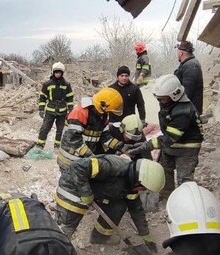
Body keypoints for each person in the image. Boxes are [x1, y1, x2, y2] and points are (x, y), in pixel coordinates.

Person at [55, 155, 165, 251]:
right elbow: (78, 167)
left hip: (96, 191)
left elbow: (136, 209)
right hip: (73, 187)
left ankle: (99, 237)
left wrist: (146, 235)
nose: (142, 191)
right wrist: (86, 193)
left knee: (118, 206)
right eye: (143, 188)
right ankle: (56, 249)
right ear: (139, 181)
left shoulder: (131, 183)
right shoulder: (112, 167)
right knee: (67, 225)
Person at [122, 74, 203, 202]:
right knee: (165, 171)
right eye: (158, 99)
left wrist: (147, 145)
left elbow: (170, 137)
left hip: (187, 149)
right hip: (171, 146)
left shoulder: (184, 111)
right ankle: (167, 198)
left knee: (184, 179)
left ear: (174, 95)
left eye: (162, 99)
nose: (160, 102)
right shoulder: (170, 104)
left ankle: (186, 203)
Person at [57, 88, 123, 171]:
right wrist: (90, 155)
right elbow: (73, 139)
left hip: (83, 160)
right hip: (69, 160)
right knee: (73, 183)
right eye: (109, 111)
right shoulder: (81, 112)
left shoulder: (102, 115)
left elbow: (105, 136)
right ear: (103, 105)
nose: (109, 113)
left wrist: (120, 146)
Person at [36, 62, 74, 150]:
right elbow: (42, 97)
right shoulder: (47, 84)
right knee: (45, 128)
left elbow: (69, 98)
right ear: (53, 72)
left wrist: (71, 109)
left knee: (61, 130)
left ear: (62, 73)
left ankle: (57, 146)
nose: (58, 74)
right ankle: (40, 145)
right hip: (50, 110)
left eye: (59, 72)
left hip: (62, 111)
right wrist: (41, 109)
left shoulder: (66, 85)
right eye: (56, 72)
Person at [174, 41, 204, 114]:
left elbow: (187, 92)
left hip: (189, 112)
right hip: (188, 110)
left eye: (178, 52)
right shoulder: (188, 64)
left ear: (181, 53)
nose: (177, 54)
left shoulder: (191, 66)